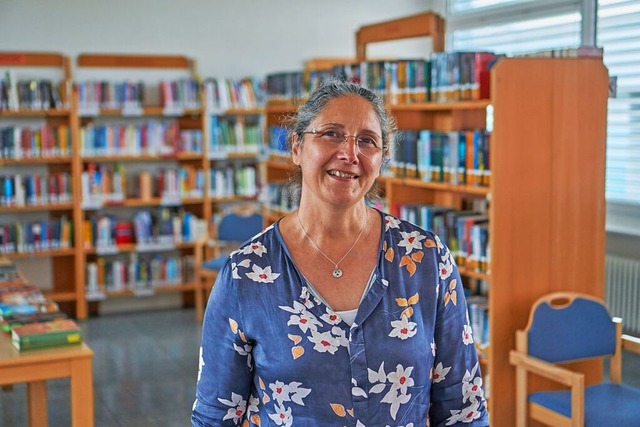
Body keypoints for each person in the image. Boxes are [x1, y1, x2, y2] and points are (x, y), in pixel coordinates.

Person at [192, 79, 489, 426]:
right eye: (331, 134)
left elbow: (463, 410)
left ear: (381, 159)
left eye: (367, 141)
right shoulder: (246, 274)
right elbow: (215, 416)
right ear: (296, 146)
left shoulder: (426, 260)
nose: (350, 154)